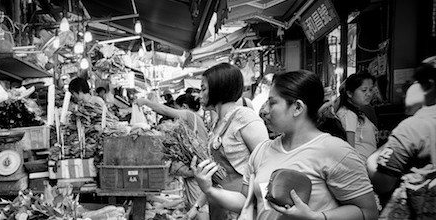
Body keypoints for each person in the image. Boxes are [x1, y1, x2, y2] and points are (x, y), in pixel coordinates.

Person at [193, 70, 378, 220]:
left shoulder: (336, 151)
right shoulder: (261, 151)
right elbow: (246, 200)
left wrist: (316, 217)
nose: (264, 110)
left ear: (297, 107)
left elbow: (367, 212)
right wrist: (208, 188)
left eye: (272, 103)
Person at [367, 56, 436, 219]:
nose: (406, 89)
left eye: (413, 83)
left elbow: (383, 183)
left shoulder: (414, 127)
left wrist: (371, 160)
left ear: (429, 86)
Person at [198, 63, 269, 219]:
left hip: (241, 207)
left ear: (218, 88)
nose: (199, 95)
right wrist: (197, 206)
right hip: (219, 204)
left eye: (203, 89)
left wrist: (266, 212)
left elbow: (267, 165)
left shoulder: (244, 117)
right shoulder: (217, 123)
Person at [134, 93, 208, 219]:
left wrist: (146, 102)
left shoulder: (190, 116)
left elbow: (165, 110)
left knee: (198, 208)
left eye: (177, 109)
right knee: (195, 206)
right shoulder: (198, 120)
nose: (175, 115)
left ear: (184, 106)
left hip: (196, 169)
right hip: (196, 169)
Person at [336, 72, 378, 160]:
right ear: (350, 93)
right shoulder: (348, 114)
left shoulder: (356, 112)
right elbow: (350, 148)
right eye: (364, 90)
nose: (369, 94)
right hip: (361, 166)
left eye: (370, 90)